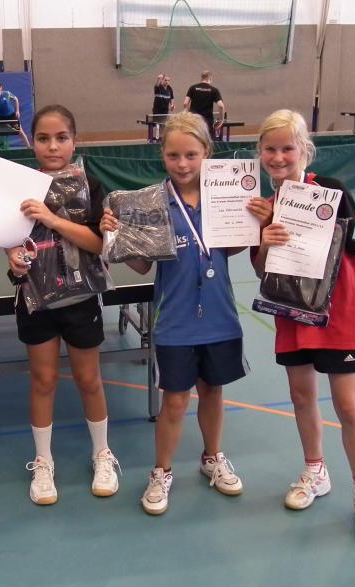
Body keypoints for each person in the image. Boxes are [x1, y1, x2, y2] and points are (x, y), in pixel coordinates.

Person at [251, 109, 355, 544]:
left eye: (287, 148)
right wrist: (264, 240)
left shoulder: (332, 190)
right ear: (260, 152)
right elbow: (261, 269)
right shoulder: (263, 207)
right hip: (291, 314)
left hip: (337, 316)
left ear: (304, 149)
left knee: (348, 406)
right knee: (302, 397)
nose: (278, 157)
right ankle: (315, 471)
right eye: (270, 149)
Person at [100, 112, 268, 515]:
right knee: (174, 401)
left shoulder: (226, 196)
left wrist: (257, 224)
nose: (182, 163)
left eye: (191, 154)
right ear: (162, 154)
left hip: (220, 316)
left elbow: (228, 249)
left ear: (206, 153)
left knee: (213, 391)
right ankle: (161, 471)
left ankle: (212, 458)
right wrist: (116, 235)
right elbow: (142, 265)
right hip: (174, 320)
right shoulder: (150, 204)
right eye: (173, 155)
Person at [5, 104, 119, 505]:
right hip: (35, 301)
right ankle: (43, 461)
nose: (52, 146)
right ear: (32, 143)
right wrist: (13, 258)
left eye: (61, 138)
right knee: (43, 381)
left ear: (74, 141)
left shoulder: (92, 186)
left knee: (89, 380)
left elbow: (99, 244)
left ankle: (102, 453)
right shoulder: (17, 187)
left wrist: (52, 219)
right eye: (43, 138)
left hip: (81, 299)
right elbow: (9, 241)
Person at [183, 70, 225, 140]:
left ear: (201, 78)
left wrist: (187, 116)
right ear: (210, 78)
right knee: (207, 142)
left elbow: (185, 103)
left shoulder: (192, 88)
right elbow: (221, 106)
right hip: (207, 121)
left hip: (194, 121)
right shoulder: (214, 90)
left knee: (194, 140)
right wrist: (221, 120)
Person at [151, 73, 175, 141]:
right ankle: (155, 139)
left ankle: (162, 139)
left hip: (165, 110)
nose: (167, 82)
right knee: (156, 125)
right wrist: (158, 79)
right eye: (165, 80)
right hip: (157, 110)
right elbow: (156, 85)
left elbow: (172, 98)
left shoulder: (170, 89)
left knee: (163, 125)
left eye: (168, 80)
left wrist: (172, 104)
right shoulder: (158, 87)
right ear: (162, 80)